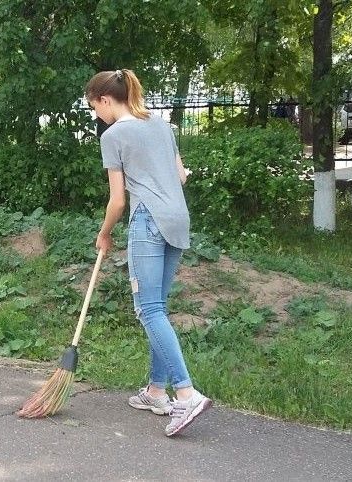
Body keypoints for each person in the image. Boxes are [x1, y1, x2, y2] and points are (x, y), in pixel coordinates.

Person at [85, 69, 212, 436]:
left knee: (148, 309)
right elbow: (182, 176)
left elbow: (117, 201)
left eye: (95, 107)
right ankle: (157, 391)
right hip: (178, 218)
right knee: (159, 307)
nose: (97, 115)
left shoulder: (114, 135)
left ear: (106, 100)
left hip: (148, 221)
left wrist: (104, 233)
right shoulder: (161, 126)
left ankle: (185, 395)